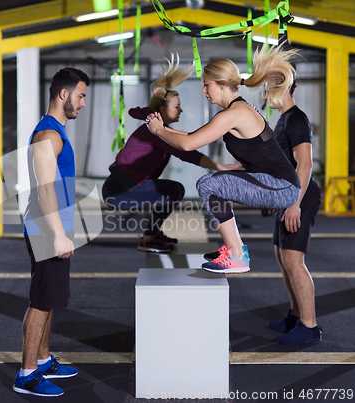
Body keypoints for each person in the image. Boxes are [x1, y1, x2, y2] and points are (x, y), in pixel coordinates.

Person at [146, 44, 301, 274]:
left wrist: (160, 132)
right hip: (274, 181)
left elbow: (188, 144)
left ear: (222, 85)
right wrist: (160, 128)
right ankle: (236, 249)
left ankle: (237, 255)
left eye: (206, 85)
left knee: (209, 185)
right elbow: (192, 136)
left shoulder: (235, 113)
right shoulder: (232, 112)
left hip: (282, 186)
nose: (203, 91)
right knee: (215, 183)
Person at [102, 56, 240, 253]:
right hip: (118, 191)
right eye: (177, 106)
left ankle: (152, 234)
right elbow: (186, 152)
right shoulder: (155, 130)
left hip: (122, 187)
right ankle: (150, 237)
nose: (181, 109)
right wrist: (218, 166)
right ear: (162, 109)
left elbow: (186, 142)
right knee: (173, 191)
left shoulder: (158, 127)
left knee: (171, 190)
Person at [13, 67, 90, 397]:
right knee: (42, 300)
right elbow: (45, 189)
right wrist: (59, 234)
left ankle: (42, 360)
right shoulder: (48, 135)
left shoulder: (55, 131)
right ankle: (27, 374)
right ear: (64, 94)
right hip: (46, 226)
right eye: (81, 96)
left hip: (53, 224)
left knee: (50, 297)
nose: (83, 103)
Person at [265, 79, 323, 345]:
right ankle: (295, 315)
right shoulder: (283, 119)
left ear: (283, 88)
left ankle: (309, 327)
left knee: (293, 261)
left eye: (268, 89)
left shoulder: (297, 119)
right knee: (282, 256)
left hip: (301, 197)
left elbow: (305, 164)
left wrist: (294, 203)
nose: (265, 94)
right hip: (288, 196)